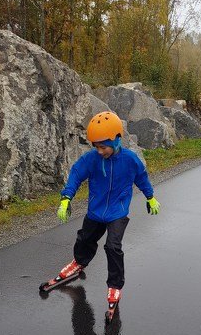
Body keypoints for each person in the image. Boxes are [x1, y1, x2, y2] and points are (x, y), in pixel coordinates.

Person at [41, 111, 160, 308]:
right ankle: (79, 262)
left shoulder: (130, 159)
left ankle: (115, 285)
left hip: (117, 212)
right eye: (95, 146)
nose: (99, 151)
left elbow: (141, 178)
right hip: (96, 211)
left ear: (116, 141)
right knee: (85, 239)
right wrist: (66, 198)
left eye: (103, 147)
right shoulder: (92, 159)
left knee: (113, 247)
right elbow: (76, 174)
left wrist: (150, 197)